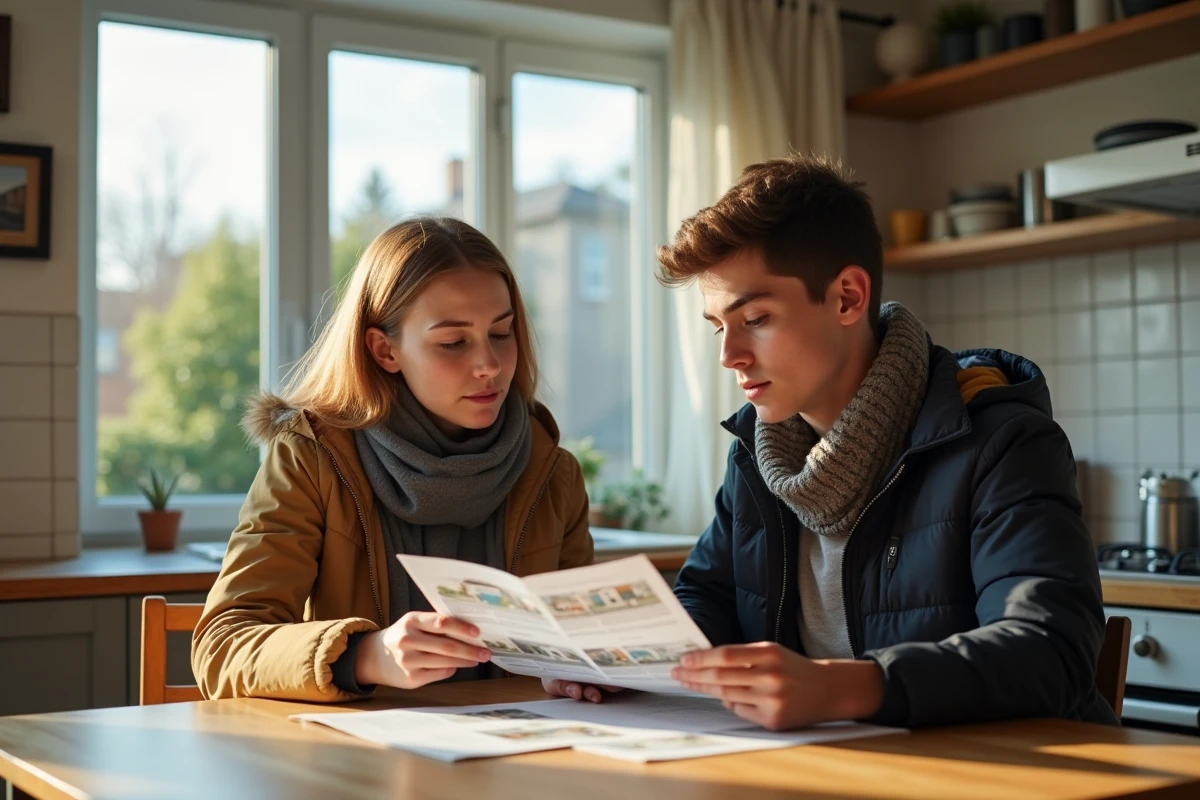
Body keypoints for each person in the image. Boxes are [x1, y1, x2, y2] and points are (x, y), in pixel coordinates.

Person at [658, 155, 1115, 731]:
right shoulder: (754, 456)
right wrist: (622, 662)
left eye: (757, 318)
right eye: (718, 326)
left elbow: (1051, 652)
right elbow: (709, 600)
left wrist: (842, 687)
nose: (730, 356)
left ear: (848, 297)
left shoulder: (1005, 444)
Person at [192, 216, 594, 702]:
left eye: (502, 333)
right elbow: (221, 647)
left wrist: (582, 670)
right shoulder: (310, 460)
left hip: (523, 758)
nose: (489, 364)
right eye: (453, 342)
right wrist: (364, 654)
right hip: (359, 765)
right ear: (385, 350)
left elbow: (580, 644)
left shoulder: (554, 473)